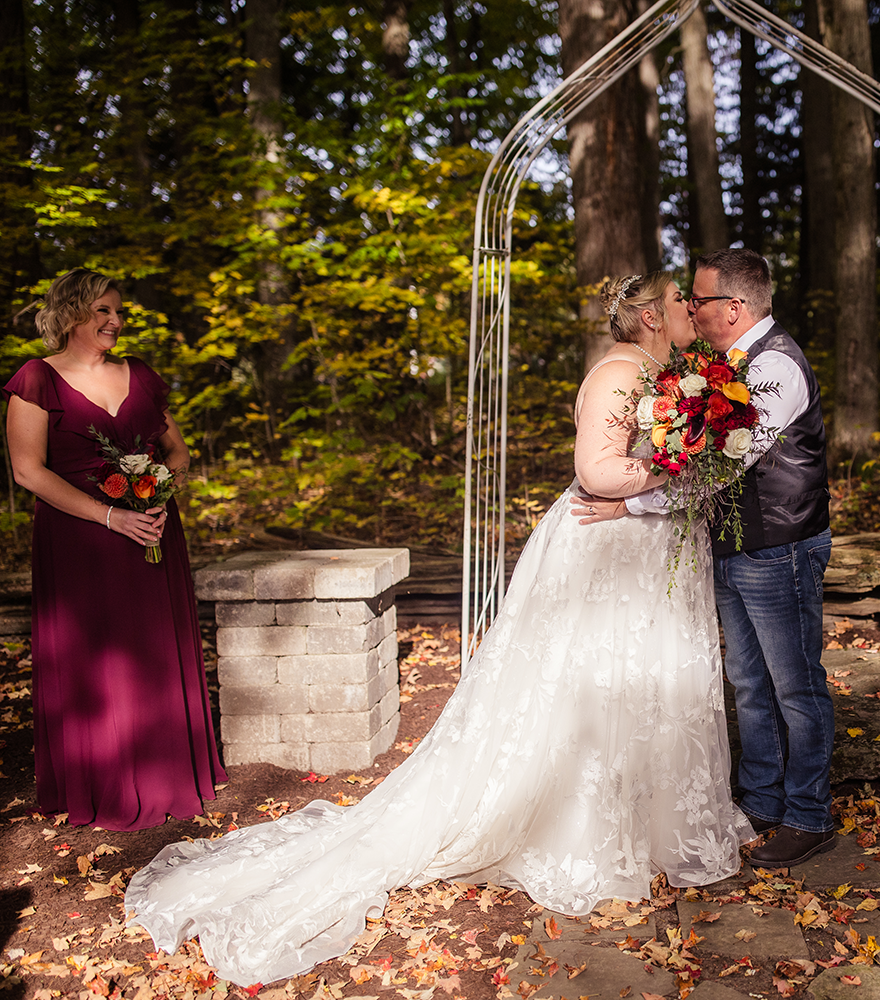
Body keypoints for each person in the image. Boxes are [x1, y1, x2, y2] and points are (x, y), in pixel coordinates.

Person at [125, 273, 755, 987]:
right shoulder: (619, 373)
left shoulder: (661, 374)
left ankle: (653, 824)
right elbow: (596, 471)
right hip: (607, 550)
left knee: (641, 681)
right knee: (596, 681)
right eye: (678, 302)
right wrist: (673, 471)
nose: (688, 312)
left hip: (642, 549)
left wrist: (683, 469)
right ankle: (586, 829)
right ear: (647, 316)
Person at [582, 249, 835, 866]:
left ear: (736, 306)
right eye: (686, 300)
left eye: (699, 300)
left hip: (781, 547)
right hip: (731, 544)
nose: (690, 309)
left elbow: (727, 464)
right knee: (749, 683)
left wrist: (632, 507)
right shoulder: (720, 364)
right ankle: (761, 800)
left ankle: (810, 814)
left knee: (795, 687)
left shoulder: (776, 367)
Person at [3, 268, 224, 831]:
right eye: (103, 310)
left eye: (118, 311)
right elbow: (28, 471)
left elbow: (178, 452)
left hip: (150, 530)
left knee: (152, 646)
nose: (115, 321)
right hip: (79, 539)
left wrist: (158, 490)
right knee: (97, 653)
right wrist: (109, 515)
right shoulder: (36, 379)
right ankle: (101, 782)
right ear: (72, 312)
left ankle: (169, 773)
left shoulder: (142, 376)